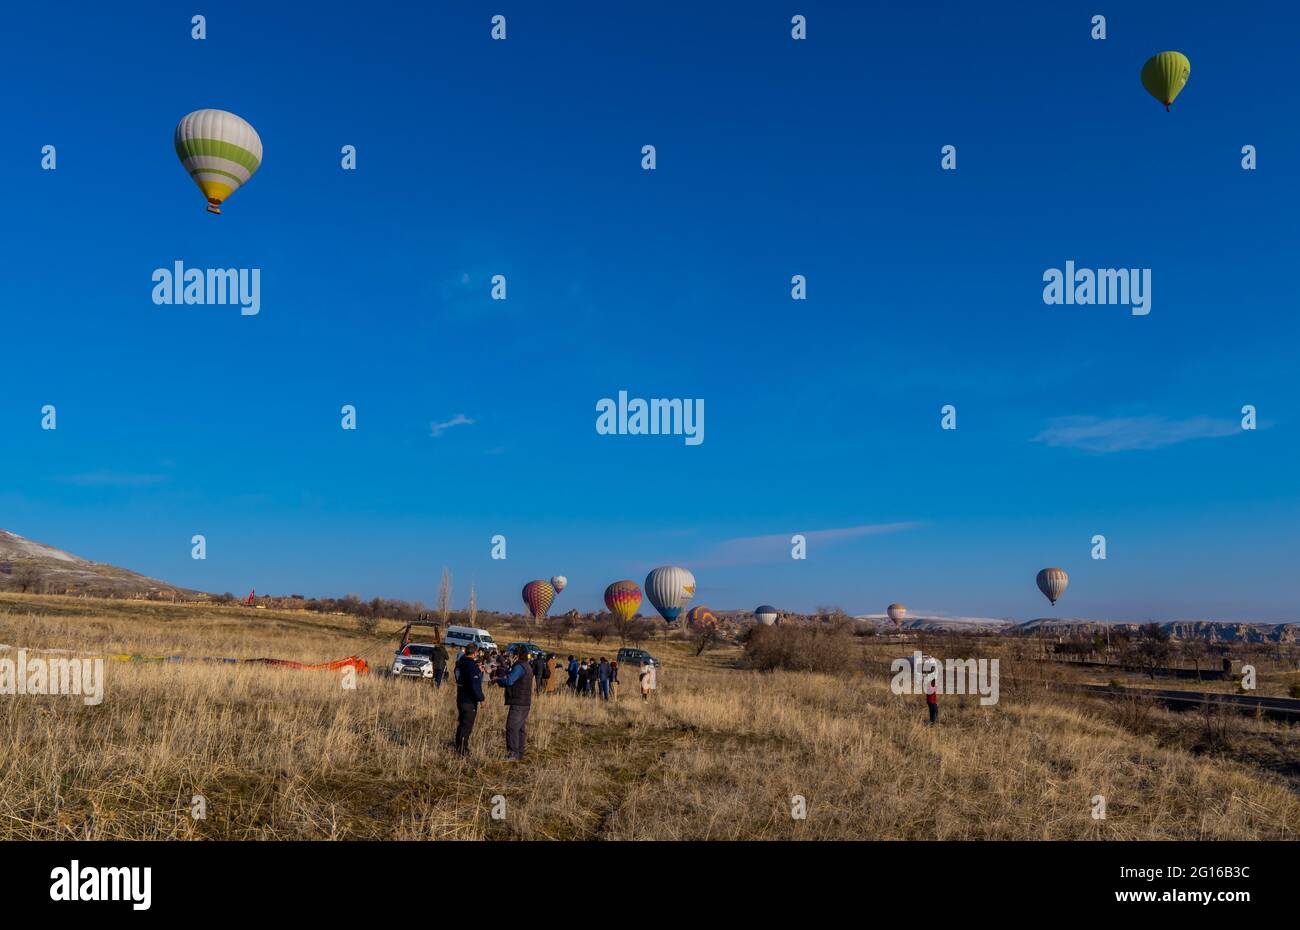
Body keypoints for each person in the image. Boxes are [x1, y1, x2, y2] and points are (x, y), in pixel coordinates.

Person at [495, 645, 534, 761]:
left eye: (513, 654)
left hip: (518, 702)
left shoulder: (519, 667)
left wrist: (498, 680)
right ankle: (519, 754)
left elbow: (510, 681)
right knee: (520, 728)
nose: (511, 657)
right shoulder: (526, 666)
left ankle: (513, 754)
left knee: (511, 727)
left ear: (517, 656)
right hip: (524, 702)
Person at [453, 643, 485, 754]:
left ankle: (458, 745)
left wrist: (477, 671)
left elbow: (461, 677)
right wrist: (481, 698)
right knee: (467, 725)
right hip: (469, 700)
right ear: (475, 652)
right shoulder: (470, 666)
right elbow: (474, 684)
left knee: (462, 723)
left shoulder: (460, 663)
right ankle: (462, 750)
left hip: (460, 696)